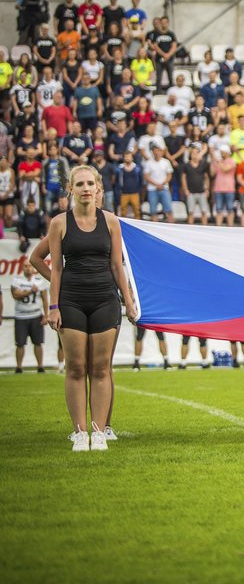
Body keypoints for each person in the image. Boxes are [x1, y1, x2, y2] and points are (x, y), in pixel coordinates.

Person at [39, 165, 137, 451]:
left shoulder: (111, 221)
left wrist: (129, 302)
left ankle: (99, 432)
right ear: (71, 189)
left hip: (105, 300)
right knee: (76, 368)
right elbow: (56, 269)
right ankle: (80, 433)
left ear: (97, 188)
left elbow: (117, 266)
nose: (85, 188)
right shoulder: (59, 223)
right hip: (71, 302)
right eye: (79, 184)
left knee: (101, 368)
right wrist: (54, 306)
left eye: (89, 184)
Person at [11, 265, 48, 374]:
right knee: (20, 343)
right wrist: (31, 291)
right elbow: (16, 295)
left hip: (36, 315)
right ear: (22, 268)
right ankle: (19, 367)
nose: (28, 268)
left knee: (38, 342)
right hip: (21, 316)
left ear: (34, 269)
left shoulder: (39, 281)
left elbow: (45, 300)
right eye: (25, 266)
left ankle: (40, 366)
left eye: (30, 266)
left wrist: (46, 315)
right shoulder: (17, 280)